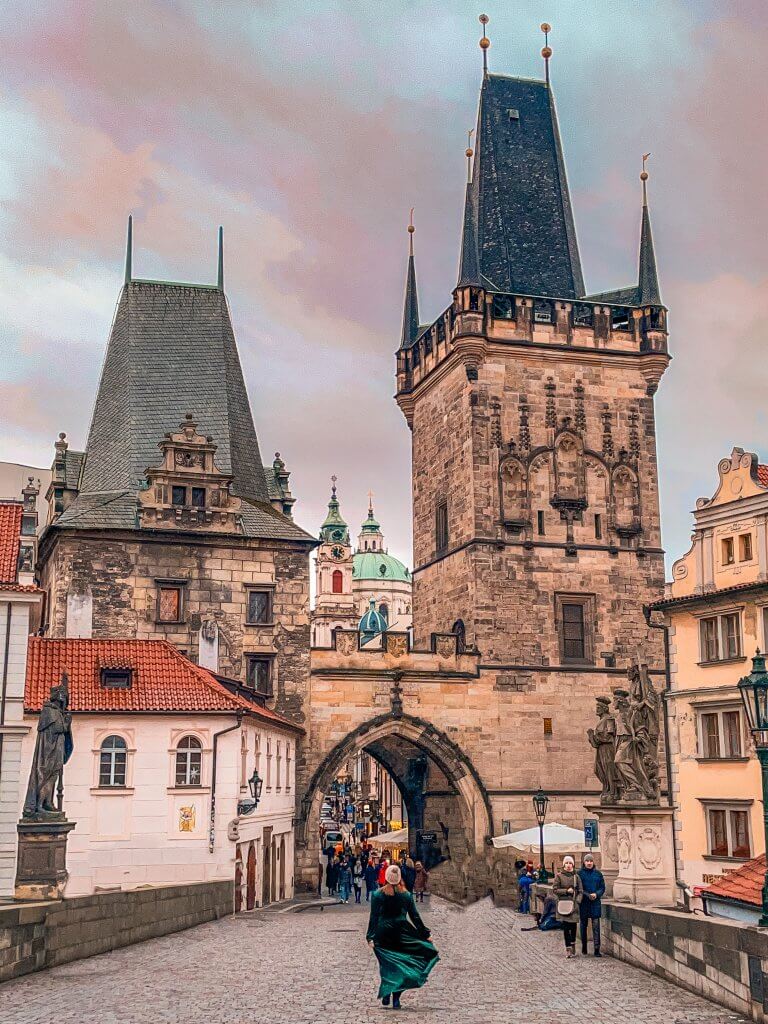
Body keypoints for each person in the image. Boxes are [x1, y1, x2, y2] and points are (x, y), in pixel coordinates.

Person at [366, 864, 439, 1010]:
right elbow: (415, 916)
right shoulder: (406, 895)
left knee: (387, 964)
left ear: (386, 878)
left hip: (383, 933)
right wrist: (425, 934)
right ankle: (396, 999)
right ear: (400, 879)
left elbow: (374, 917)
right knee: (400, 965)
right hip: (401, 932)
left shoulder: (377, 895)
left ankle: (387, 991)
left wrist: (370, 937)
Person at [552, 855, 583, 958]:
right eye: (567, 863)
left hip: (573, 905)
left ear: (573, 865)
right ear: (564, 865)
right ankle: (568, 948)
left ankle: (573, 943)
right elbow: (555, 890)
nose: (568, 865)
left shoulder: (576, 877)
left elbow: (580, 891)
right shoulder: (559, 876)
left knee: (573, 926)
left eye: (570, 863)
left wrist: (578, 901)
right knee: (566, 928)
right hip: (563, 904)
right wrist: (566, 891)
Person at [578, 853, 605, 957]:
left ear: (593, 862)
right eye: (587, 861)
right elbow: (579, 888)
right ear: (584, 862)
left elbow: (602, 888)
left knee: (596, 927)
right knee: (583, 926)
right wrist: (587, 895)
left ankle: (597, 949)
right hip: (584, 903)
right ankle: (584, 946)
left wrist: (596, 894)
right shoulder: (579, 874)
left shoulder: (598, 874)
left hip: (595, 903)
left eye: (591, 861)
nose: (589, 863)